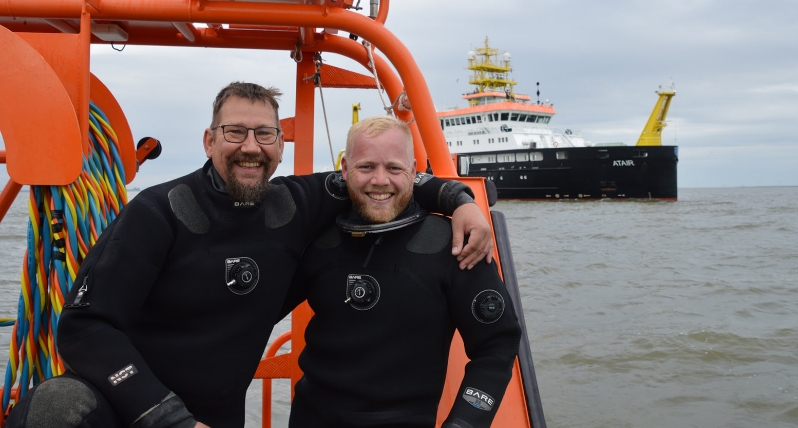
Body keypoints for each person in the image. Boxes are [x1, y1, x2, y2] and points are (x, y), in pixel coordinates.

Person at [5, 82, 494, 428]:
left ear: (281, 146)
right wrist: (163, 416)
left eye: (264, 134)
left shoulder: (296, 203)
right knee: (55, 406)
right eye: (235, 132)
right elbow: (83, 327)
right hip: (133, 405)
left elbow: (383, 179)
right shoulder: (158, 212)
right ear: (209, 140)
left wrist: (460, 202)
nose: (250, 147)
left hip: (214, 417)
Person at [282, 116, 522, 428]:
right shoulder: (319, 240)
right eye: (366, 167)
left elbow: (498, 344)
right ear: (344, 169)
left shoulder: (453, 244)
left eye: (394, 168)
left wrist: (465, 423)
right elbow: (253, 313)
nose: (380, 180)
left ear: (412, 171)